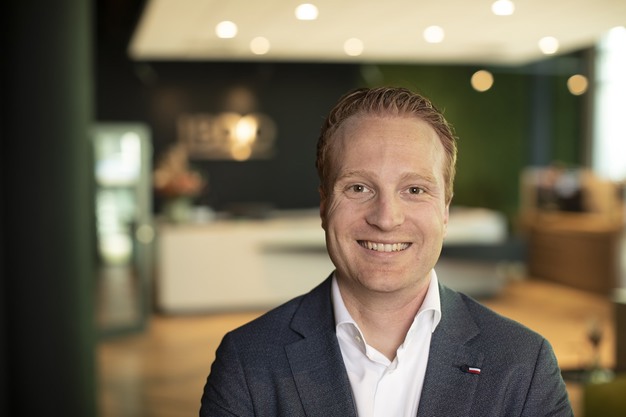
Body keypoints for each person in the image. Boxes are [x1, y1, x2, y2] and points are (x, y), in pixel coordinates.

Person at [200, 87, 573, 416]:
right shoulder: (247, 361)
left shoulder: (524, 364)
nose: (386, 218)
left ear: (445, 211)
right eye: (358, 188)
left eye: (414, 190)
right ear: (324, 206)